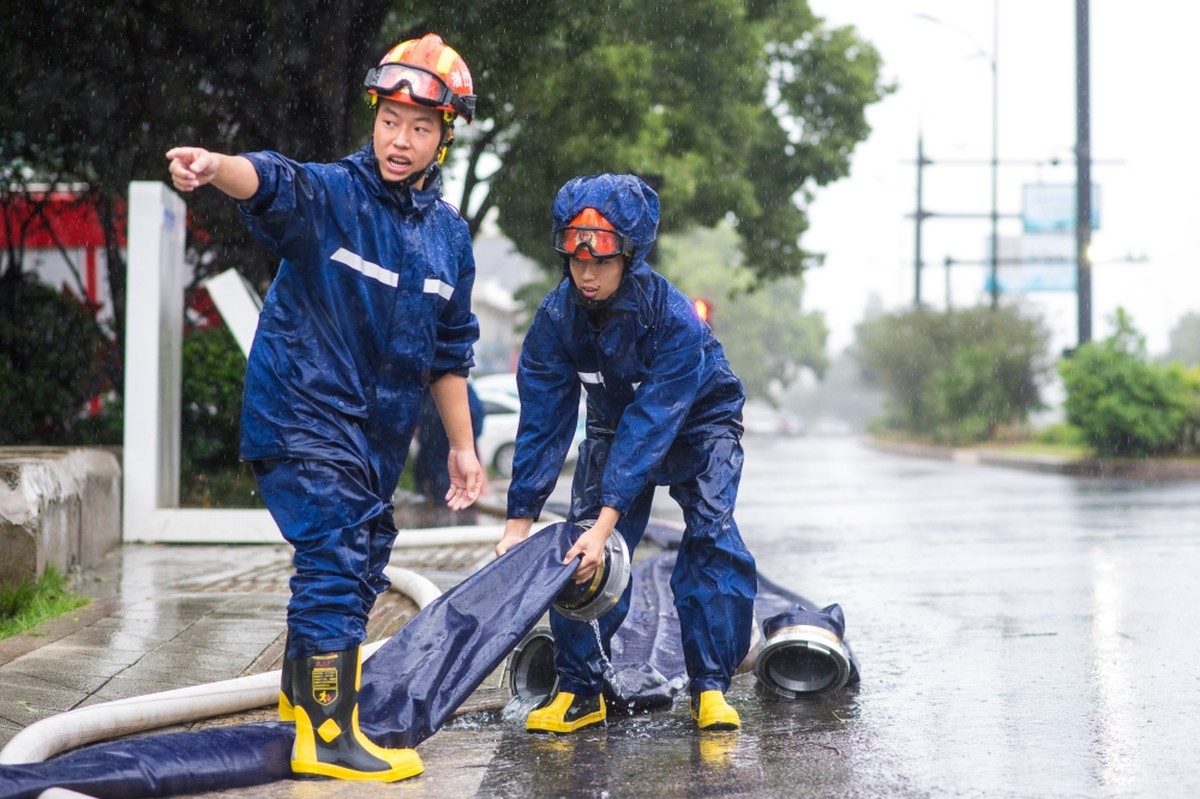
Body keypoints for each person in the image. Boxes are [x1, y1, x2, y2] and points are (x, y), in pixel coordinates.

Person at [165, 32, 482, 783]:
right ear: (373, 118)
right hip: (302, 412)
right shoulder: (335, 197)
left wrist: (464, 447)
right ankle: (326, 730)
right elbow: (274, 181)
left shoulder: (447, 238)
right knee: (339, 550)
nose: (400, 140)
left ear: (444, 139)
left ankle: (300, 704)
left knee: (362, 553)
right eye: (389, 121)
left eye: (420, 127)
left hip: (369, 438)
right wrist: (217, 168)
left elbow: (449, 352)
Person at [494, 174, 758, 733]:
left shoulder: (675, 319)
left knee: (711, 536)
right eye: (576, 260)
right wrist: (517, 525)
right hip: (616, 425)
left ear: (630, 256)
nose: (586, 275)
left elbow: (652, 424)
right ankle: (581, 689)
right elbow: (543, 421)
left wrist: (609, 520)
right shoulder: (555, 319)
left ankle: (709, 687)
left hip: (698, 423)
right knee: (581, 551)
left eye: (602, 262)